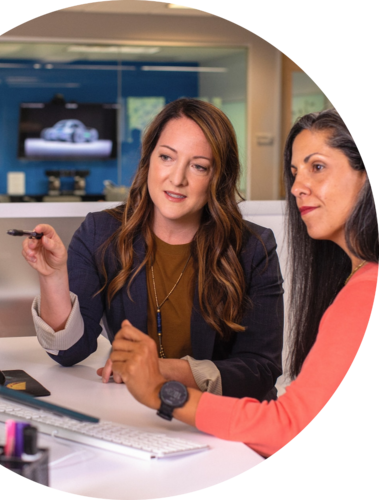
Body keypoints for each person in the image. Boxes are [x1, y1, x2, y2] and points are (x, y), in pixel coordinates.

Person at [109, 107, 378, 458]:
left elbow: (289, 426)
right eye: (295, 173)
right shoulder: (355, 278)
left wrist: (162, 392)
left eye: (318, 167)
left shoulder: (366, 291)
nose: (298, 187)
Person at [22, 98, 284, 401]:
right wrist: (53, 276)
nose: (177, 179)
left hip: (221, 420)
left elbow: (260, 370)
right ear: (149, 160)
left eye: (198, 166)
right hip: (136, 413)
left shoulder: (253, 248)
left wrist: (159, 369)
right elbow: (69, 352)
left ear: (218, 178)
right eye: (167, 157)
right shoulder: (101, 233)